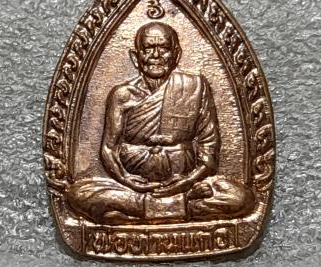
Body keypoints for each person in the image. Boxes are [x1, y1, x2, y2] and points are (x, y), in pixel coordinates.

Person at [66, 22, 254, 224]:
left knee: (241, 198)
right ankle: (177, 207)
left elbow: (210, 146)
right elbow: (109, 148)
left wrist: (189, 180)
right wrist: (126, 179)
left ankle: (139, 211)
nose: (155, 55)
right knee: (77, 194)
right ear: (135, 57)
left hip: (186, 183)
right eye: (148, 48)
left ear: (176, 55)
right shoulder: (122, 95)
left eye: (163, 48)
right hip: (134, 187)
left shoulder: (195, 87)